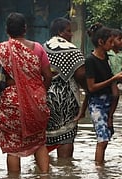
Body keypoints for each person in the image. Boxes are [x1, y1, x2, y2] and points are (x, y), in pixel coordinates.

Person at [0, 12, 52, 174]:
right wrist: (40, 93)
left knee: (13, 147)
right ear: (25, 29)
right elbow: (48, 76)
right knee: (39, 142)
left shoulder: (1, 50)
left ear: (7, 30)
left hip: (11, 103)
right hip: (37, 102)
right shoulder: (38, 49)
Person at [81, 23, 122, 166]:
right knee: (102, 139)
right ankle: (99, 171)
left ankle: (101, 167)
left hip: (108, 102)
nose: (112, 44)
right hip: (96, 103)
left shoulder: (107, 57)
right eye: (110, 42)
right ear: (101, 42)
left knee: (106, 137)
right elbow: (91, 87)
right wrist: (113, 79)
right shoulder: (90, 61)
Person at [43, 17, 87, 159]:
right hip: (65, 99)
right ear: (60, 32)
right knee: (66, 136)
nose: (71, 34)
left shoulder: (42, 48)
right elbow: (81, 74)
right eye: (68, 31)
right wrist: (89, 90)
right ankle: (65, 172)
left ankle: (43, 175)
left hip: (44, 97)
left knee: (43, 138)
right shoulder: (72, 50)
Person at [107, 28, 122, 94]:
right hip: (110, 80)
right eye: (119, 39)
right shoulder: (108, 53)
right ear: (111, 41)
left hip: (120, 80)